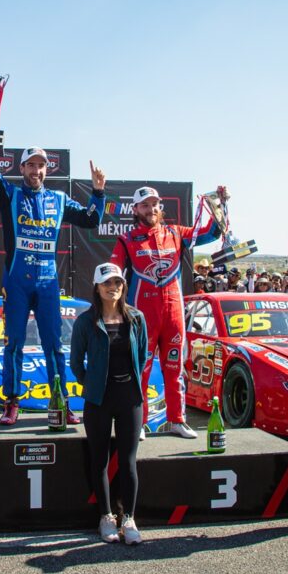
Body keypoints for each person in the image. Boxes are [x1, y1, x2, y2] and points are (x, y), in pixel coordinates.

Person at [0, 147, 106, 426]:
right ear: (22, 168)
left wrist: (97, 192)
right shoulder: (10, 195)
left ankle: (61, 403)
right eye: (31, 165)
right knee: (13, 343)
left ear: (47, 170)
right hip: (17, 283)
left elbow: (91, 219)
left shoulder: (59, 200)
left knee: (54, 346)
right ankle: (12, 403)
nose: (36, 170)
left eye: (41, 166)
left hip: (48, 284)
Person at [110, 186, 220, 439]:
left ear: (160, 207)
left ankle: (177, 420)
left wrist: (219, 207)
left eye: (154, 204)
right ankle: (138, 423)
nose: (151, 209)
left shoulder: (176, 233)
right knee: (140, 370)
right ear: (135, 209)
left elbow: (210, 233)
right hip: (142, 317)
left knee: (175, 368)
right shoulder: (126, 240)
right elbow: (113, 272)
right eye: (145, 205)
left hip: (174, 315)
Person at [70, 263, 148, 545]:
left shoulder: (136, 318)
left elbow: (143, 355)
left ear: (123, 286)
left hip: (130, 398)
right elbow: (76, 363)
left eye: (117, 282)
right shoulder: (85, 322)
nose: (112, 287)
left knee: (128, 461)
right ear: (97, 287)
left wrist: (130, 383)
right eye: (107, 283)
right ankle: (106, 517)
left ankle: (129, 518)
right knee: (99, 460)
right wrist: (92, 384)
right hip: (98, 400)